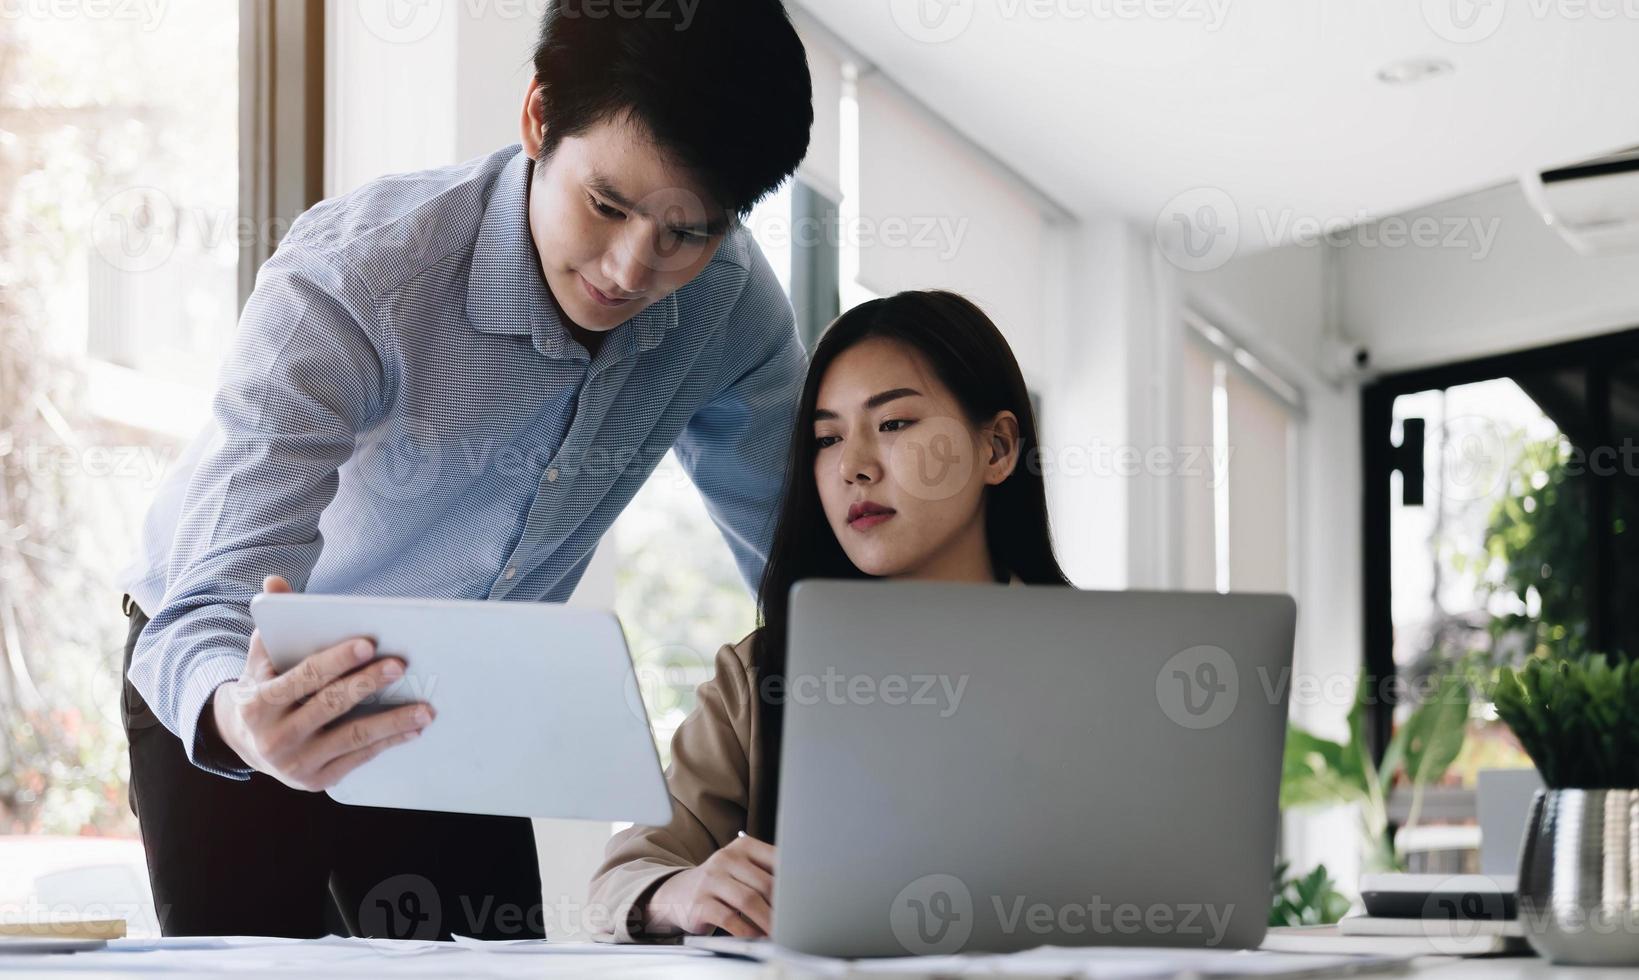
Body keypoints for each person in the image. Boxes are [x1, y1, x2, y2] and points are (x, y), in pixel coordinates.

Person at [120, 0, 813, 939]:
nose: (629, 268)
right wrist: (242, 717)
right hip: (243, 676)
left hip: (462, 688)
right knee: (246, 967)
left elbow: (800, 563)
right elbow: (201, 606)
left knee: (494, 963)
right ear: (537, 117)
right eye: (606, 204)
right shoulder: (357, 277)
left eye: (685, 233)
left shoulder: (727, 306)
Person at [588, 289, 1070, 942]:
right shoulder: (763, 672)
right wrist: (679, 893)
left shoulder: (1104, 664)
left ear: (997, 448)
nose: (853, 467)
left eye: (894, 424)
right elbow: (626, 875)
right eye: (825, 438)